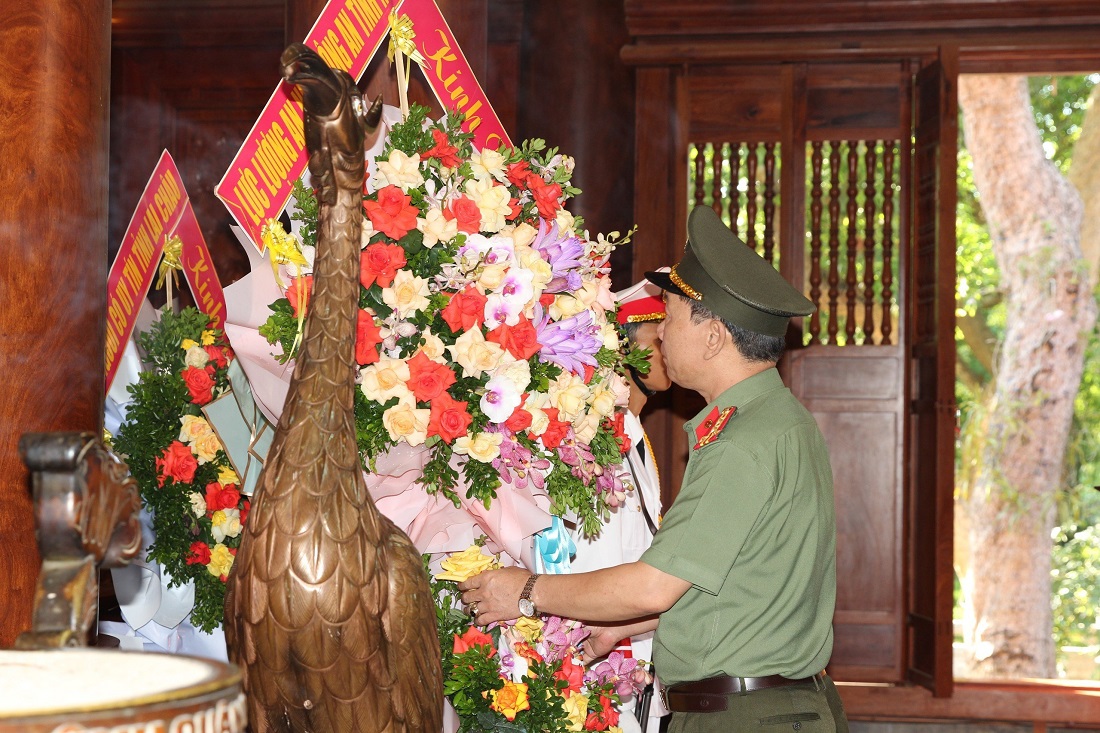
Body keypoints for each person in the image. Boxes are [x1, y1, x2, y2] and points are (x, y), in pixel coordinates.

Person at [458, 205, 849, 732]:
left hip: (745, 717)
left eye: (670, 315)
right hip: (769, 709)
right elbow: (736, 584)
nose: (660, 333)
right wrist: (627, 625)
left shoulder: (742, 442)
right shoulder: (782, 422)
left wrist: (526, 591)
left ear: (713, 337)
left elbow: (654, 584)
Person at [568, 273, 673, 733]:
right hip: (600, 664)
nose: (671, 345)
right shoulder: (599, 439)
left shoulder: (636, 436)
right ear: (626, 351)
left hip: (633, 661)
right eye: (660, 335)